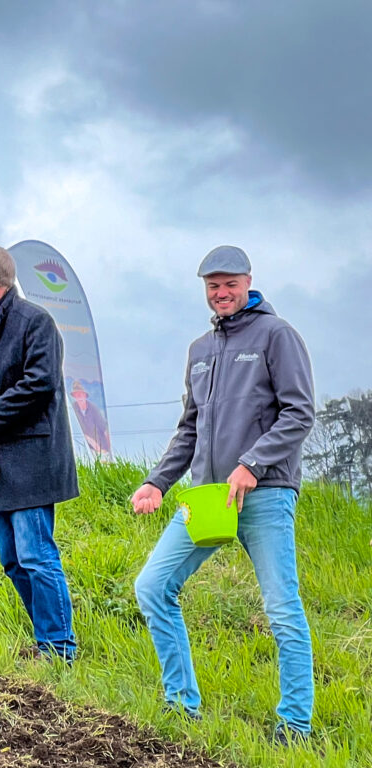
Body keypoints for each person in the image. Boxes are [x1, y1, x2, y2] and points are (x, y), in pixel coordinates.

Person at [132, 246, 316, 744]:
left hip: (265, 494)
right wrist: (156, 481)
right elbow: (189, 430)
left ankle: (295, 724)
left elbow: (299, 413)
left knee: (282, 607)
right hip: (207, 497)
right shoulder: (200, 349)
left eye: (230, 283)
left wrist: (252, 465)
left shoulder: (277, 336)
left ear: (248, 281)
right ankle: (180, 705)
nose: (221, 293)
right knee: (152, 586)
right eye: (213, 285)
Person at [0, 245, 79, 661]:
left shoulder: (35, 322)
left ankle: (60, 647)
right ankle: (46, 642)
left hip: (31, 462)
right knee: (11, 560)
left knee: (36, 556)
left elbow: (39, 383)